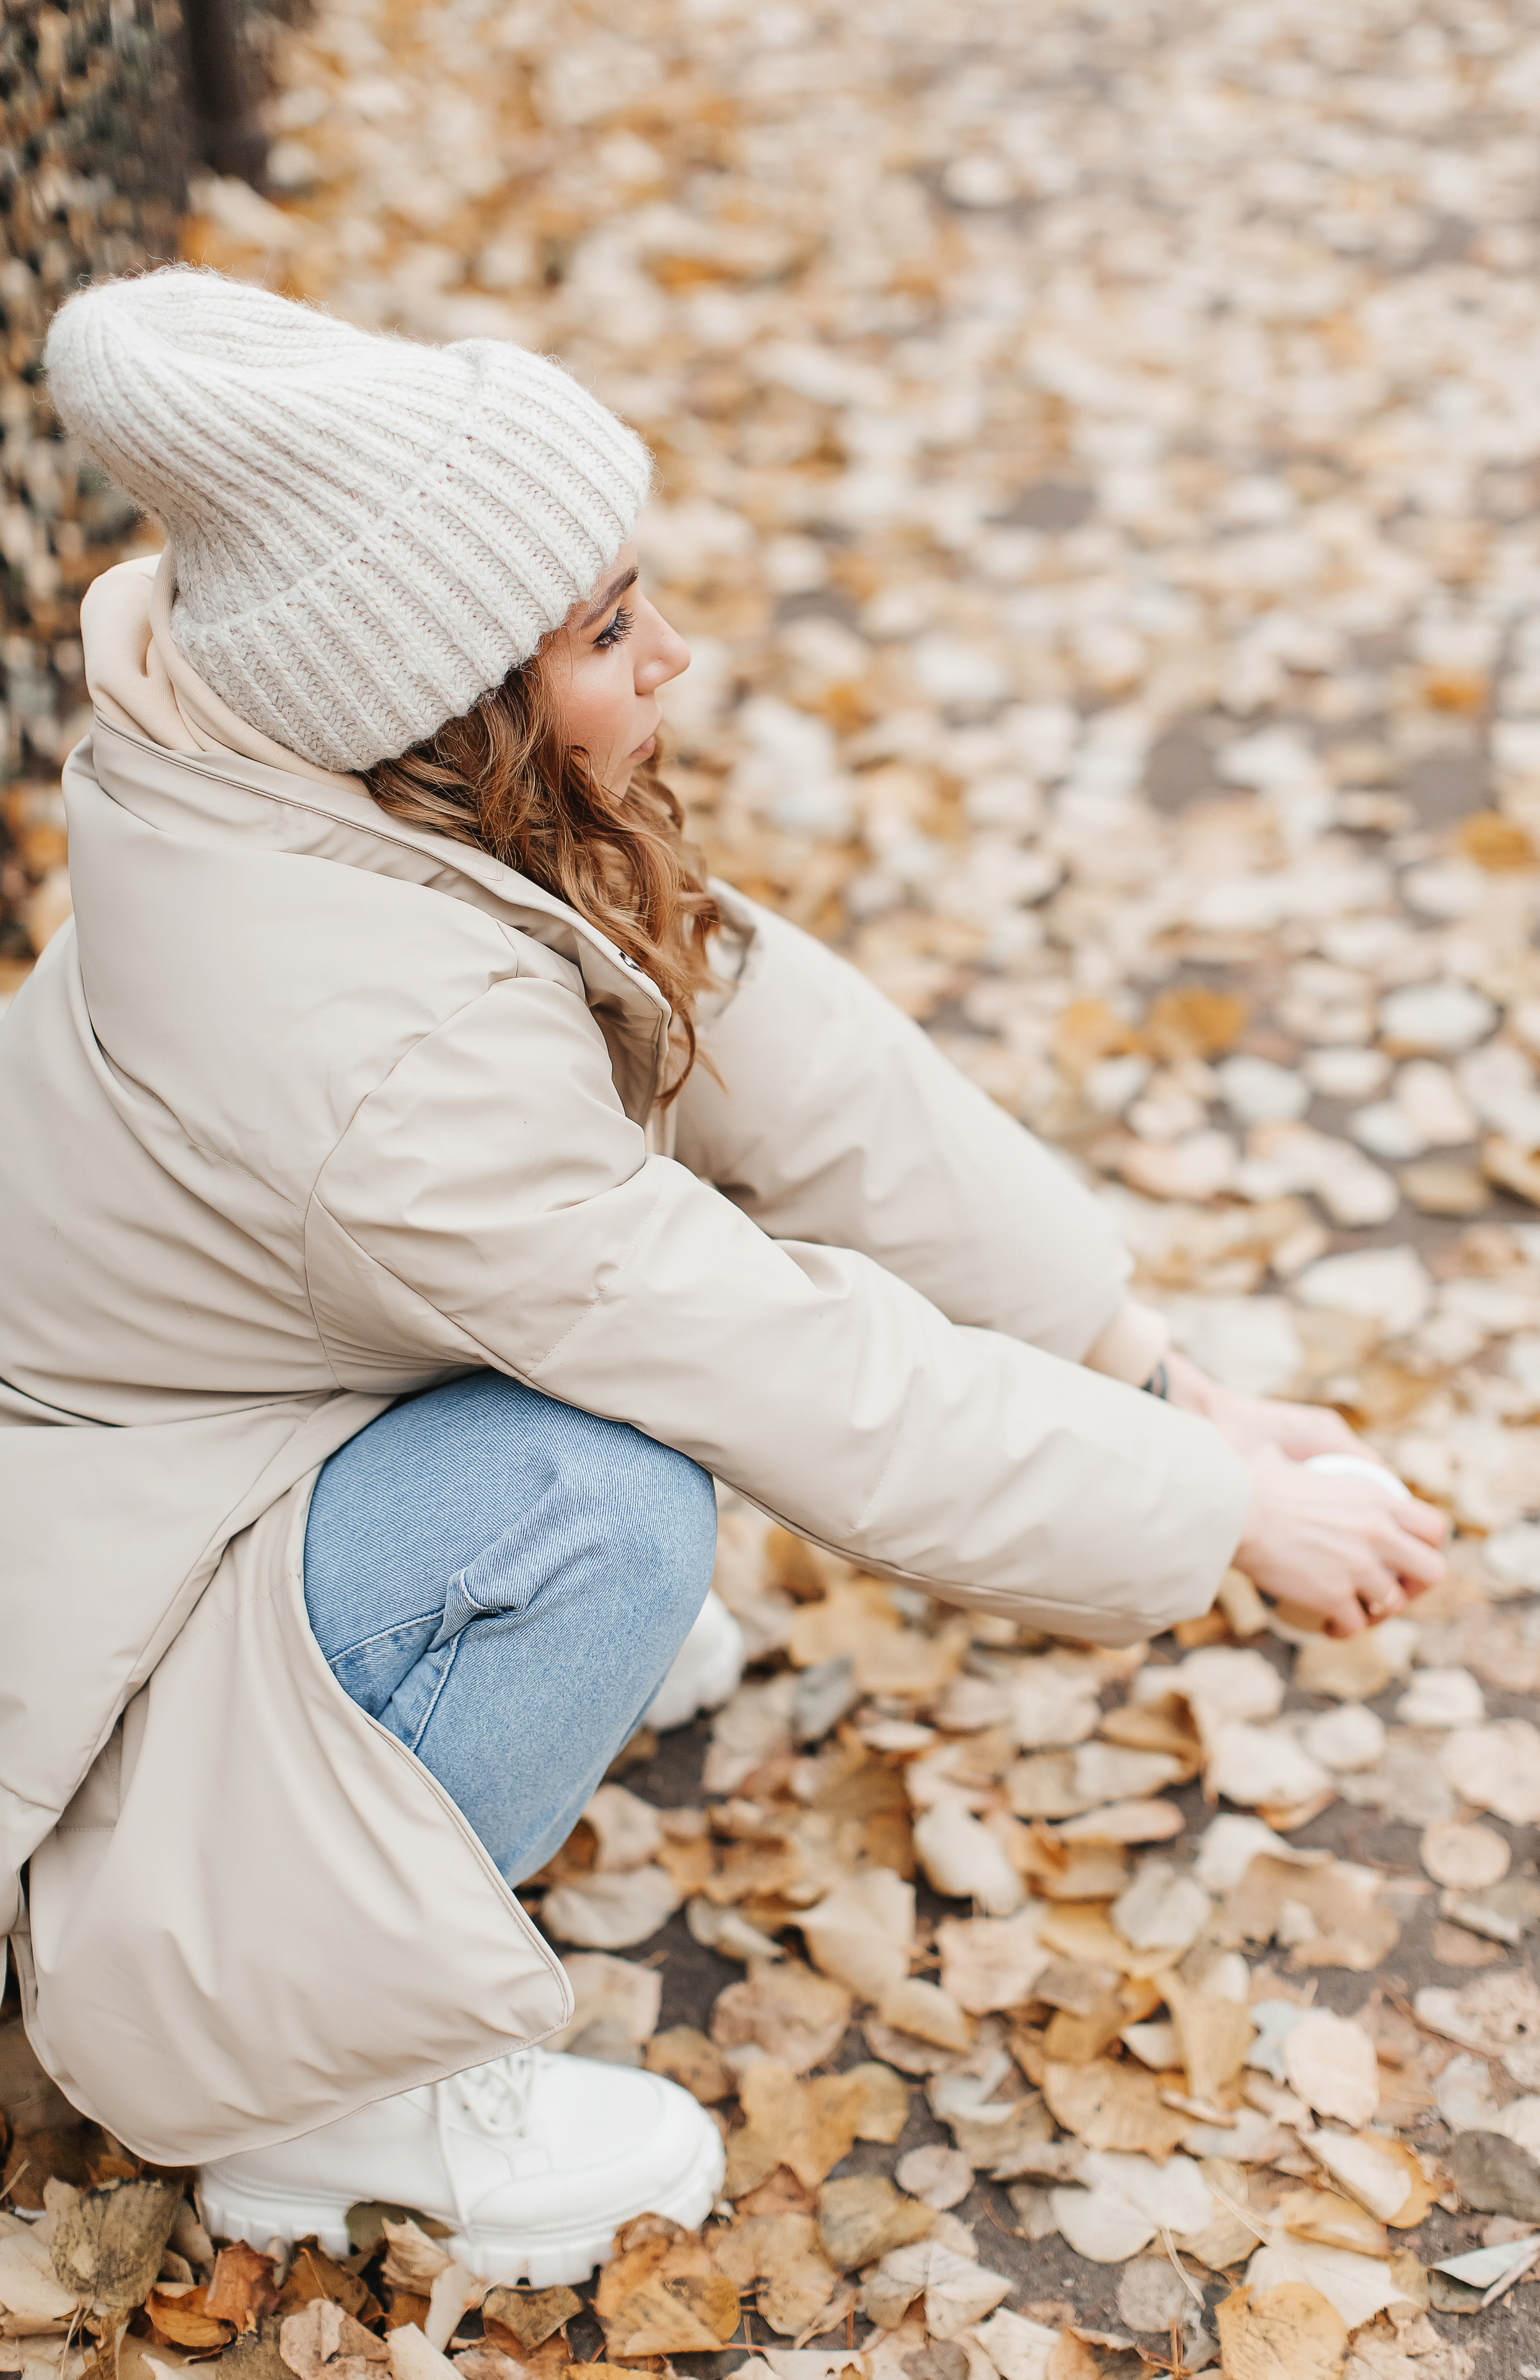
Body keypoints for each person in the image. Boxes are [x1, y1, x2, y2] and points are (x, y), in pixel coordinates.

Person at [0, 268, 1445, 2280]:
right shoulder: (373, 1054)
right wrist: (1227, 1512)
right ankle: (313, 2097)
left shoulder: (330, 774)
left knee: (612, 1462)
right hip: (116, 1600)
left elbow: (777, 1042)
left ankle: (421, 1681)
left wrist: (1152, 1373)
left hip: (215, 1429)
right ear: (437, 689)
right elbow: (765, 1355)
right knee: (606, 1498)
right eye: (606, 631)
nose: (673, 654)